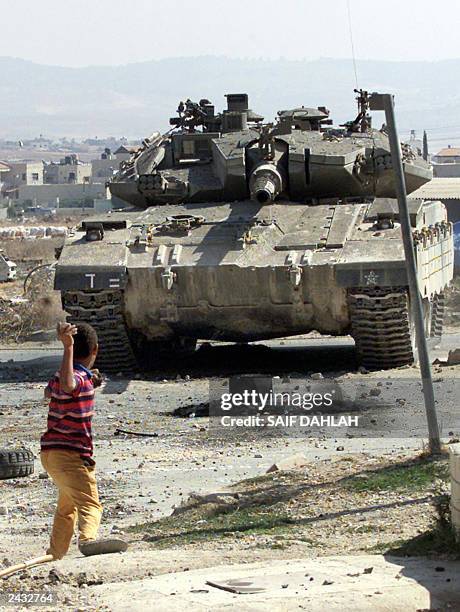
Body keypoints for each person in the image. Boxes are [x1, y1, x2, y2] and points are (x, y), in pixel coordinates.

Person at [40, 321, 127, 558]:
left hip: (50, 455)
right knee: (91, 504)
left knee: (67, 507)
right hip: (70, 455)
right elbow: (70, 385)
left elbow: (52, 390)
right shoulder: (74, 378)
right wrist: (67, 347)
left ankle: (55, 553)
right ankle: (88, 540)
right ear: (95, 350)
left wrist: (77, 369)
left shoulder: (66, 376)